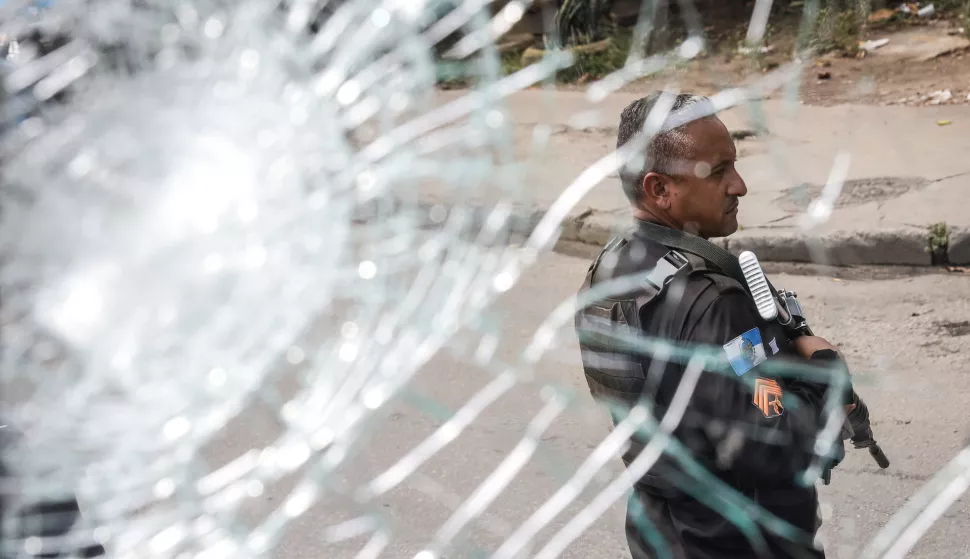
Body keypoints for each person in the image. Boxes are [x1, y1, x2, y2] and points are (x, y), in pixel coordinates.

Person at [574, 92, 856, 559]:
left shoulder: (607, 271)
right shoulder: (715, 307)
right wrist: (825, 373)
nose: (739, 186)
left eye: (734, 165)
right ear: (658, 189)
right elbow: (773, 434)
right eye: (719, 171)